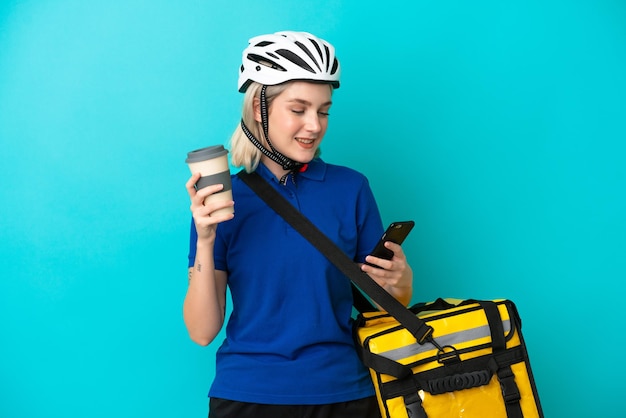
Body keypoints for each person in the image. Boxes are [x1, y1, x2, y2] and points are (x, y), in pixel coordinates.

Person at [184, 30, 413, 418]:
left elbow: (387, 304)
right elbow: (203, 331)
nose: (314, 125)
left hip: (346, 395)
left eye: (323, 110)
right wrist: (205, 239)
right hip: (247, 396)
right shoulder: (223, 200)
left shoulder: (351, 188)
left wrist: (402, 282)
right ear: (259, 108)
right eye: (299, 108)